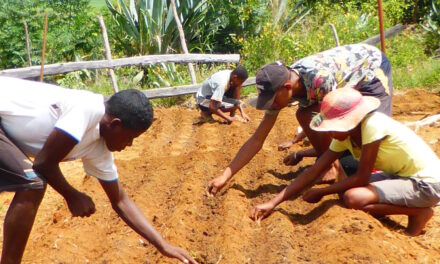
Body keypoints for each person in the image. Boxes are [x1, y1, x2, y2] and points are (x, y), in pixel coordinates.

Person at [0, 77, 197, 264]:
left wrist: (163, 245)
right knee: (33, 184)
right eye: (130, 137)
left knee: (33, 183)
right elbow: (43, 162)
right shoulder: (87, 109)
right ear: (115, 124)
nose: (129, 144)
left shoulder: (99, 147)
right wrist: (72, 196)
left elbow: (120, 200)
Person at [250, 87, 440, 236]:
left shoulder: (372, 126)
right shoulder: (346, 136)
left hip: (426, 183)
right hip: (402, 176)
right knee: (345, 191)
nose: (330, 133)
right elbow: (315, 170)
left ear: (351, 121)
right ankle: (410, 210)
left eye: (333, 127)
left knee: (353, 197)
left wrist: (322, 192)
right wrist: (273, 202)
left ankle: (418, 213)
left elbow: (362, 177)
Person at [208, 43, 393, 195]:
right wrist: (225, 176)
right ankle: (332, 166)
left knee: (372, 132)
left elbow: (336, 119)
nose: (271, 106)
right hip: (344, 79)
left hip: (371, 69)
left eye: (272, 101)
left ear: (287, 87)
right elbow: (258, 139)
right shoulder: (287, 86)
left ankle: (387, 182)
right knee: (304, 114)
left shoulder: (320, 80)